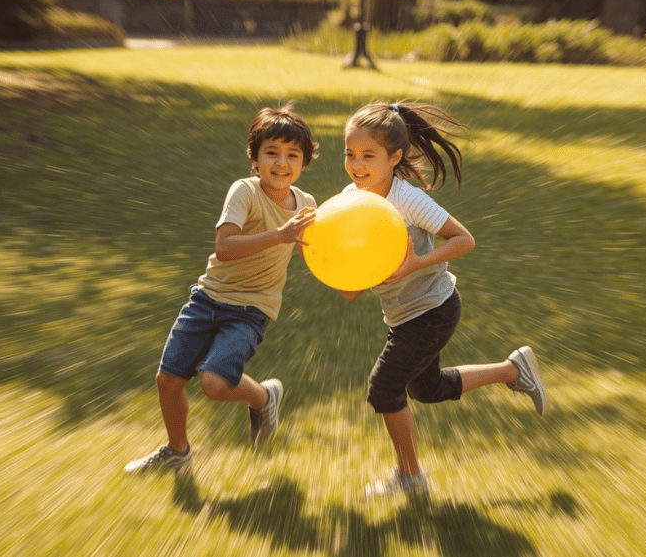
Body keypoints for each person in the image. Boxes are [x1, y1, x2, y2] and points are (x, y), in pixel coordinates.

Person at [337, 101, 549, 498]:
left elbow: (464, 239)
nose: (356, 164)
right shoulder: (351, 199)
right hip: (403, 314)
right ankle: (513, 370)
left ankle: (410, 478)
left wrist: (415, 262)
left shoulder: (407, 200)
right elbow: (352, 286)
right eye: (350, 153)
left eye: (368, 155)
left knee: (383, 389)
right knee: (427, 389)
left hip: (433, 309)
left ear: (394, 157)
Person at [124, 103, 318, 474]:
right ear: (254, 157)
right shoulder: (244, 191)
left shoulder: (306, 205)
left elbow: (320, 252)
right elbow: (224, 248)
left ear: (305, 162)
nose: (281, 162)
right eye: (271, 152)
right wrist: (280, 234)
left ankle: (264, 397)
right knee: (168, 379)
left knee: (215, 384)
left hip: (251, 310)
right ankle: (177, 451)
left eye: (293, 155)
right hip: (207, 299)